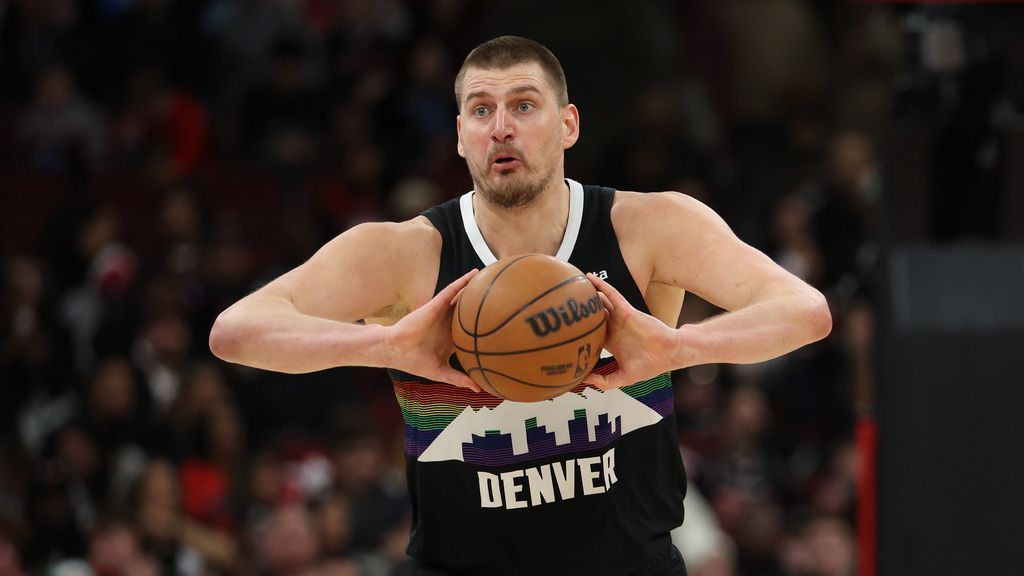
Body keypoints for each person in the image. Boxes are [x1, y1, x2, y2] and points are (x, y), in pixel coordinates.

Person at [209, 36, 831, 576]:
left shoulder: (648, 227)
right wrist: (384, 346)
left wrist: (679, 348)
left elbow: (805, 310)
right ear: (460, 136)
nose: (500, 127)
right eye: (481, 110)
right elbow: (236, 331)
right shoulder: (402, 253)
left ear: (568, 124)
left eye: (524, 105)